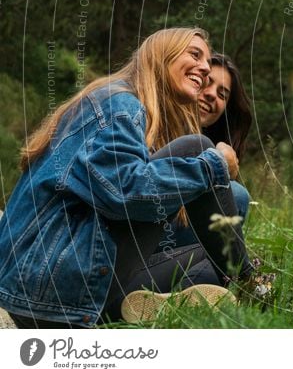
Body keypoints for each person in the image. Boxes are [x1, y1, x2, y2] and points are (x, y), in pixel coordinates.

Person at [0, 28, 252, 328]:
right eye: (194, 55)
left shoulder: (127, 104)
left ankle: (138, 306)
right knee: (197, 151)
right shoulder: (121, 103)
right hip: (46, 287)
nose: (204, 68)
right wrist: (213, 164)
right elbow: (126, 191)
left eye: (207, 63)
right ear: (161, 54)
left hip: (52, 282)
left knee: (213, 263)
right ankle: (250, 283)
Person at [163, 53, 254, 251]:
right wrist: (217, 163)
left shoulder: (213, 145)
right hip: (134, 240)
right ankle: (245, 277)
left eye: (223, 95)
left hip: (171, 258)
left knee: (233, 195)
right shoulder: (150, 118)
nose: (212, 94)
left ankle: (234, 274)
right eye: (206, 81)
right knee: (236, 195)